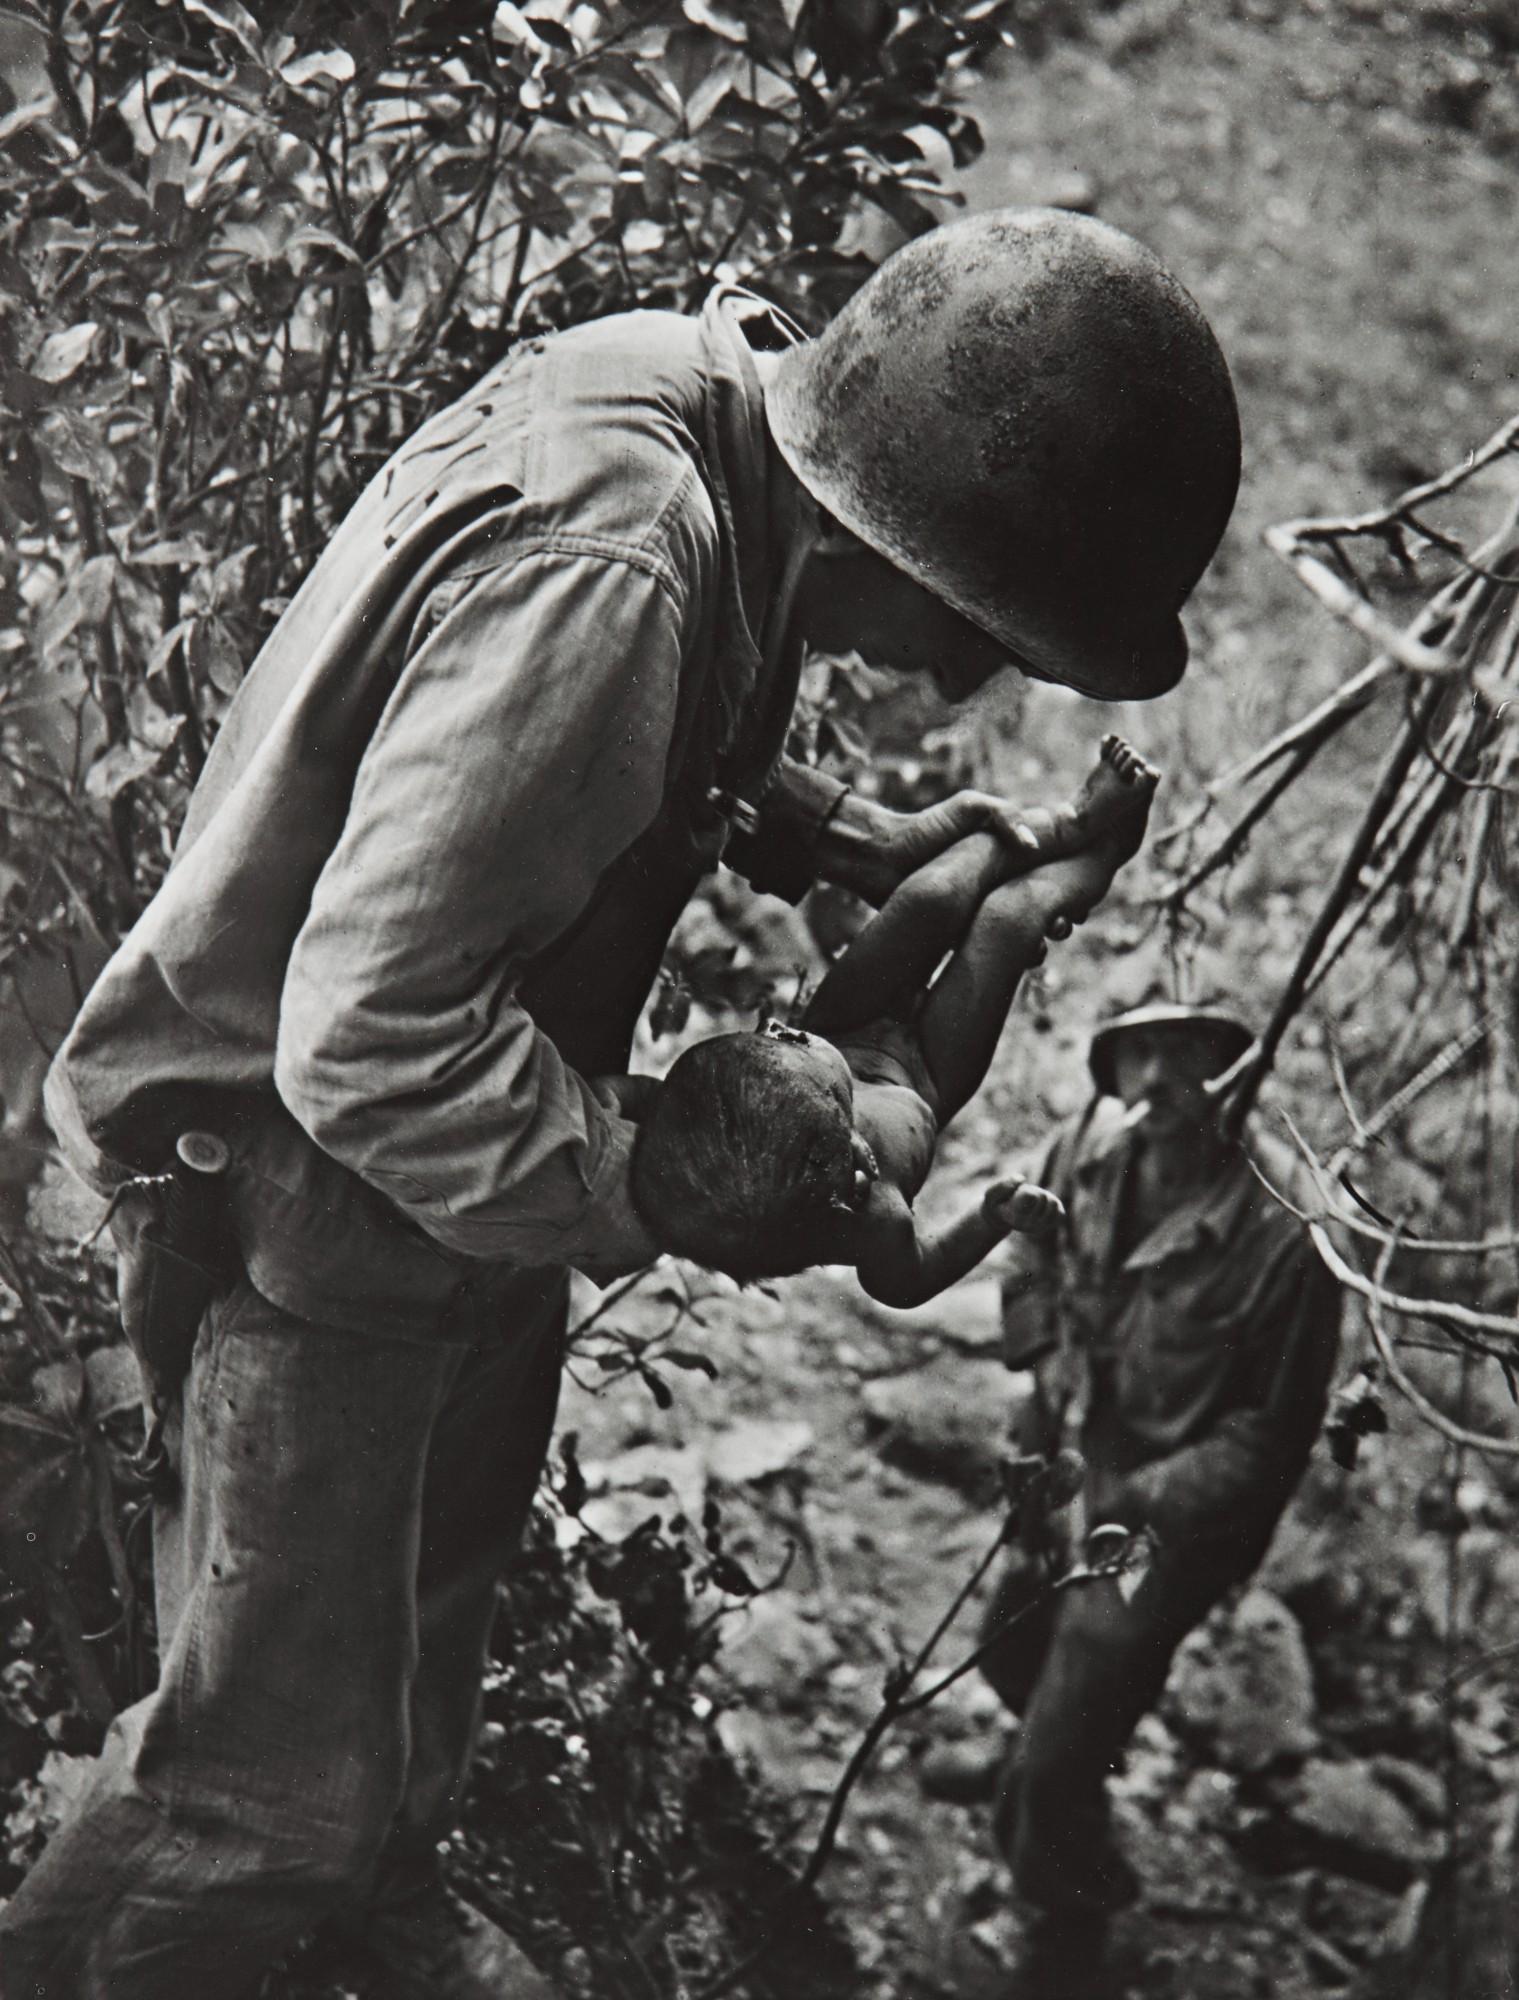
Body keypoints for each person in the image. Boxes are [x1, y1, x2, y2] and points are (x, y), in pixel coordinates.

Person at [0, 207, 1240, 2000]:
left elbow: (609, 728)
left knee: (428, 1631)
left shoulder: (706, 417)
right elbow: (365, 1044)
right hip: (307, 1201)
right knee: (253, 1794)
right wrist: (665, 1185)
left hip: (459, 1179)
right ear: (892, 527)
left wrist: (838, 831)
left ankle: (377, 1897)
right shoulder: (624, 564)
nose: (971, 677)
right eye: (982, 628)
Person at [923, 1004, 1342, 1990]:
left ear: (1230, 1080)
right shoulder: (1087, 1148)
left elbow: (1269, 1437)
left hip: (1170, 1517)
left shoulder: (1282, 1243)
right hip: (1070, 1449)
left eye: (1183, 1060)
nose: (1154, 1080)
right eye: (1135, 1055)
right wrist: (1041, 1354)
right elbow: (1030, 1249)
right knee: (1013, 1637)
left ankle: (1064, 1908)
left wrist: (1133, 1503)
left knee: (1081, 1703)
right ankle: (1042, 1766)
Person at [630, 735, 1158, 1301]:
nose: (783, 1027)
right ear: (856, 1155)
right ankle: (1105, 852)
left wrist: (621, 1097)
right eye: (795, 1042)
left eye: (774, 1035)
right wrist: (990, 1218)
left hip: (849, 1020)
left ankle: (1070, 821)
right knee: (1008, 920)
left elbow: (641, 1100)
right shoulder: (876, 1217)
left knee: (930, 895)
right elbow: (908, 1285)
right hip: (928, 1072)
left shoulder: (703, 1146)